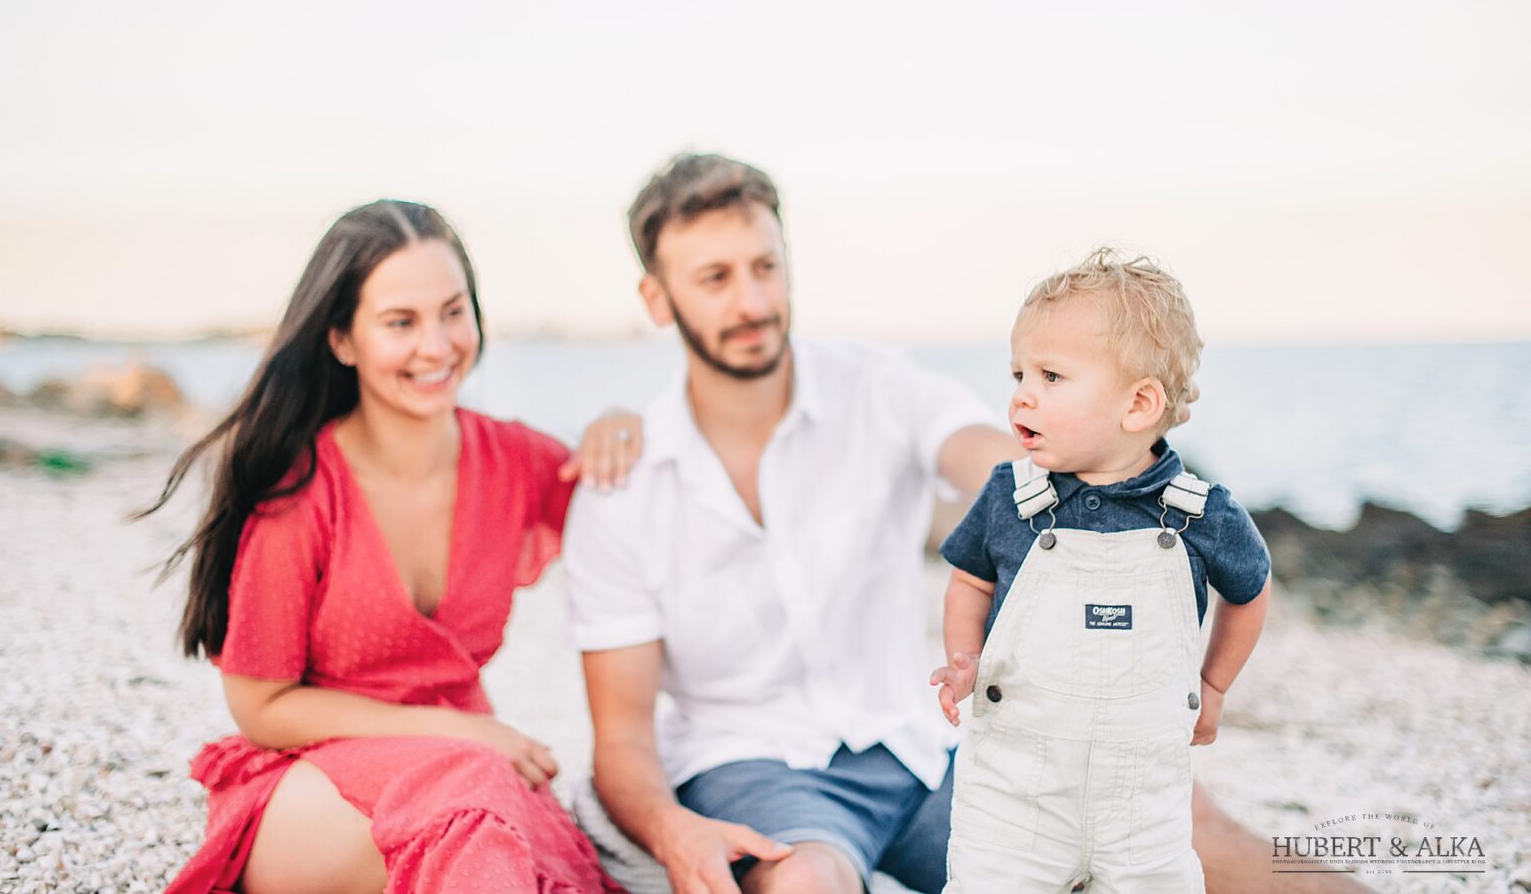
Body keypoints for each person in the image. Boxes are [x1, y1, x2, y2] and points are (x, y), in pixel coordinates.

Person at [564, 153, 1375, 894]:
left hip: (926, 743)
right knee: (806, 882)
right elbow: (624, 734)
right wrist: (675, 832)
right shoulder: (621, 485)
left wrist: (1101, 467)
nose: (752, 300)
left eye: (766, 266)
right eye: (714, 277)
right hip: (752, 770)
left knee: (1180, 826)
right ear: (656, 297)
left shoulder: (876, 388)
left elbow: (993, 460)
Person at [139, 200, 632, 894]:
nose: (437, 345)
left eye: (452, 312)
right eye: (401, 322)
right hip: (308, 788)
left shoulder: (514, 459)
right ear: (343, 339)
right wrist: (452, 729)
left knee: (535, 850)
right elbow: (261, 706)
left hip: (467, 773)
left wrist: (619, 426)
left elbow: (635, 514)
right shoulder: (300, 491)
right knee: (476, 803)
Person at [931, 249, 1270, 893]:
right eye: (1018, 373)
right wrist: (962, 656)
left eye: (1051, 376)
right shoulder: (1012, 497)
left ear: (1139, 404)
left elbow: (1251, 591)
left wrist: (1215, 686)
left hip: (1144, 814)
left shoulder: (1199, 514)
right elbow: (970, 581)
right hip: (1015, 805)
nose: (1022, 395)